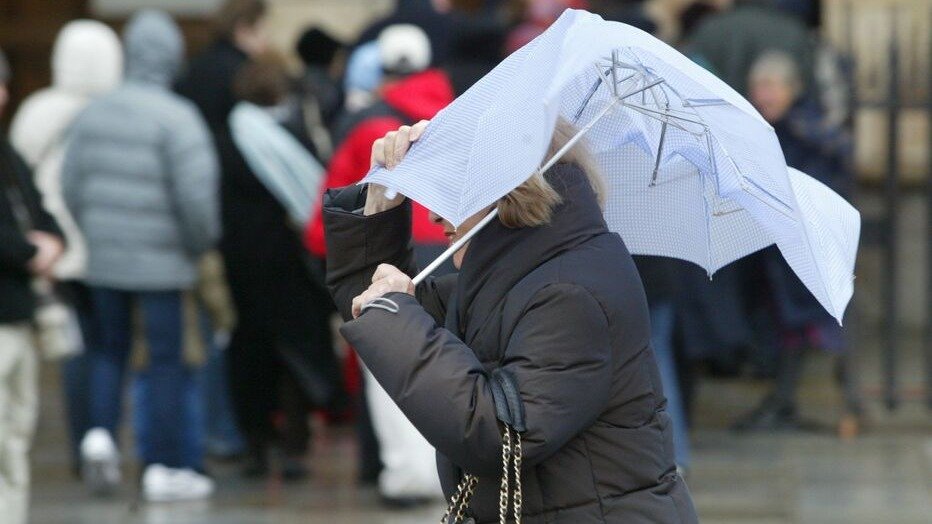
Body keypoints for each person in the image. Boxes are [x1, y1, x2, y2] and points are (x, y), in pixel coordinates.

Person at [322, 118, 699, 522]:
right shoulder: (514, 273)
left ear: (507, 193)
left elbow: (500, 439)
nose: (433, 216)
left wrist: (398, 314)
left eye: (453, 193)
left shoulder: (569, 292)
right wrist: (382, 200)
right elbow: (372, 305)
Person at [61, 10, 219, 502]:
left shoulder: (94, 113)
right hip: (163, 266)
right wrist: (198, 246)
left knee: (108, 349)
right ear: (172, 58)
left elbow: (70, 184)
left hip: (106, 261)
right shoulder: (179, 117)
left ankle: (100, 435)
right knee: (165, 362)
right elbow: (197, 200)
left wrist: (97, 233)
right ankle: (163, 465)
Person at [305, 24, 454, 504]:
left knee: (386, 360)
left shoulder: (370, 124)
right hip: (452, 250)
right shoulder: (455, 114)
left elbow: (336, 203)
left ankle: (391, 470)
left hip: (392, 253)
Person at [9, 19, 123, 477]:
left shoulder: (37, 110)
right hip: (108, 247)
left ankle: (83, 446)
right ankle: (104, 436)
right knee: (107, 348)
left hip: (55, 250)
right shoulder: (119, 110)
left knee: (74, 347)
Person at [221, 55, 342, 480]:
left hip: (244, 266)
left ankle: (255, 447)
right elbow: (318, 189)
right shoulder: (294, 132)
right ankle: (294, 446)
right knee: (295, 354)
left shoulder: (230, 135)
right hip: (292, 263)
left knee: (252, 356)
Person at [733, 51, 856, 432]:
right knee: (787, 325)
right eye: (757, 86)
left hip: (806, 247)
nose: (762, 95)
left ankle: (842, 404)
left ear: (792, 89)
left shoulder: (806, 130)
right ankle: (783, 400)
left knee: (814, 325)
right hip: (775, 252)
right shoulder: (766, 129)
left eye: (771, 86)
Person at [0, 46, 65, 524]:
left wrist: (52, 242)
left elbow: (40, 210)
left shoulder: (8, 154)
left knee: (17, 436)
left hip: (20, 314)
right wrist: (31, 251)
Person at [176, 0, 269, 130]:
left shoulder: (197, 62)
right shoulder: (245, 73)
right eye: (262, 28)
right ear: (243, 30)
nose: (266, 39)